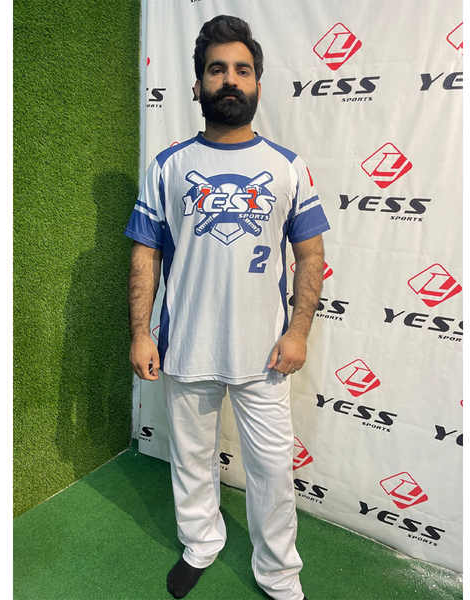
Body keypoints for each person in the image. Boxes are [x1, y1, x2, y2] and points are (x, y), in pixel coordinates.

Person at [124, 15, 329, 600]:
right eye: (217, 70)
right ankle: (201, 542)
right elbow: (145, 255)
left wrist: (299, 332)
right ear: (198, 86)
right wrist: (141, 333)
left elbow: (311, 254)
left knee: (273, 469)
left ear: (258, 84)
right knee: (192, 460)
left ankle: (279, 573)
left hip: (265, 352)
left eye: (242, 70)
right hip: (186, 343)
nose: (230, 80)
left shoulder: (288, 167)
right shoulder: (168, 166)